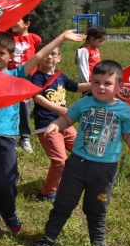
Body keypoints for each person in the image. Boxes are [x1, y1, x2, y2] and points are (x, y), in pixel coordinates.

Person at [0, 13, 85, 239]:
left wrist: (61, 37)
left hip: (6, 136)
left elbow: (39, 54)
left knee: (6, 179)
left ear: (11, 56)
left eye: (1, 53)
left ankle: (9, 213)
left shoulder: (18, 74)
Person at [33, 60, 130, 246]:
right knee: (63, 203)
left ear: (119, 87)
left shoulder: (124, 110)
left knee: (97, 208)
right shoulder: (84, 103)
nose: (101, 87)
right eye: (96, 82)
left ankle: (98, 245)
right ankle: (48, 239)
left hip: (105, 170)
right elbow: (67, 119)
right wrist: (56, 124)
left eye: (107, 83)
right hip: (77, 165)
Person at [31, 40, 91, 203]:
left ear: (59, 58)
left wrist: (97, 85)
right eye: (45, 54)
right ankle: (47, 193)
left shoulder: (60, 76)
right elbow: (36, 96)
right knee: (59, 161)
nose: (49, 57)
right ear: (38, 58)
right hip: (47, 126)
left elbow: (77, 87)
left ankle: (78, 180)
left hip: (65, 123)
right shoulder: (37, 77)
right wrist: (58, 109)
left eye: (53, 54)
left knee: (83, 151)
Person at [9, 11, 42, 153]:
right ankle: (9, 136)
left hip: (27, 81)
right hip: (10, 79)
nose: (13, 23)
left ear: (27, 24)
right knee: (9, 108)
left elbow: (41, 57)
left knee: (25, 109)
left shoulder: (34, 39)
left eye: (17, 20)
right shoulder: (8, 38)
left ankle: (25, 137)